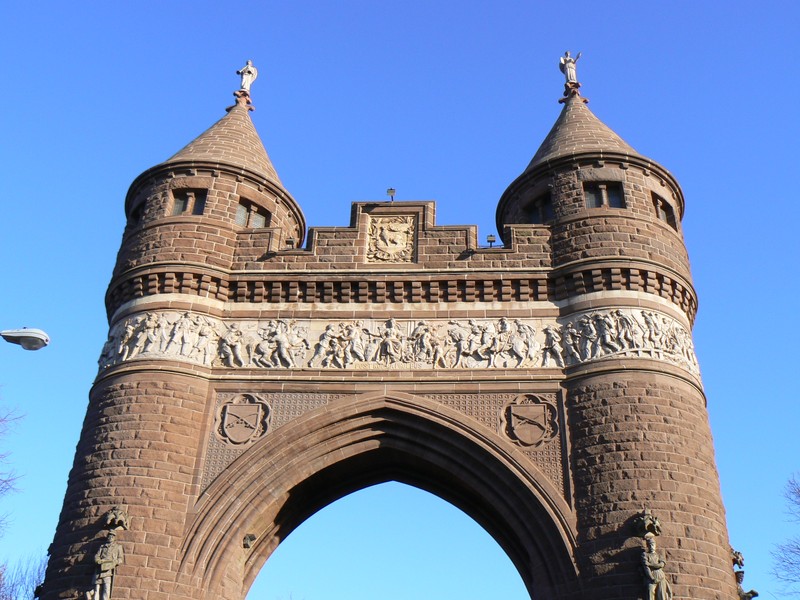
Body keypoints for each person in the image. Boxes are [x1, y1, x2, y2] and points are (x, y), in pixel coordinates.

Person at [90, 531, 124, 600]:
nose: (110, 537)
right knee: (97, 587)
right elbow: (97, 556)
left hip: (109, 570)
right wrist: (98, 561)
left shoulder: (118, 547)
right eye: (109, 536)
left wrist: (114, 562)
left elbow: (120, 559)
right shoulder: (102, 547)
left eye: (112, 536)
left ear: (114, 538)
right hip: (100, 569)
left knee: (106, 587)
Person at [641, 533, 672, 600]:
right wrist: (651, 578)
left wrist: (650, 564)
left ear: (655, 545)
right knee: (650, 592)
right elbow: (646, 568)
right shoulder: (645, 555)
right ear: (648, 546)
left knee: (662, 595)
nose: (651, 546)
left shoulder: (659, 555)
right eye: (650, 545)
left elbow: (661, 565)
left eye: (653, 545)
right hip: (651, 577)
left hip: (660, 576)